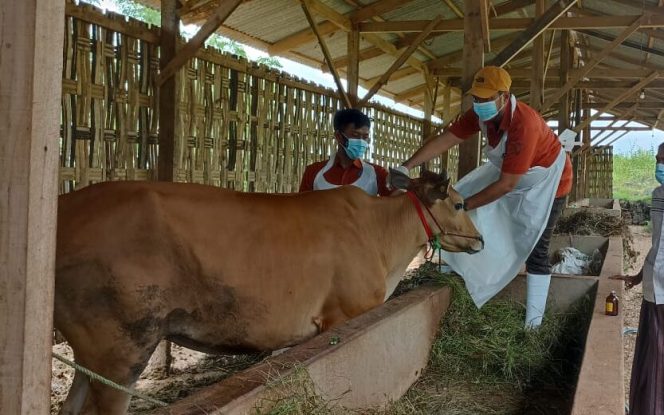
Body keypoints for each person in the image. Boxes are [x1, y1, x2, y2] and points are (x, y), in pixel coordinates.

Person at [389, 66, 573, 328]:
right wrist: (406, 166)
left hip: (546, 183)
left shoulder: (524, 124)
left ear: (504, 96)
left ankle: (533, 325)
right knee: (465, 209)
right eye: (476, 97)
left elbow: (506, 185)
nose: (479, 103)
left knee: (536, 248)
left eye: (486, 98)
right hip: (509, 173)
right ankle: (456, 272)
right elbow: (446, 139)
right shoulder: (479, 115)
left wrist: (464, 206)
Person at [611, 142, 664, 415]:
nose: (659, 166)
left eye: (663, 160)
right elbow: (657, 245)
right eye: (658, 159)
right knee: (650, 360)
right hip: (654, 292)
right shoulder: (658, 195)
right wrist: (638, 276)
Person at [299, 108, 391, 196]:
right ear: (338, 136)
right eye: (355, 135)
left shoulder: (377, 173)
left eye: (365, 137)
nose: (361, 141)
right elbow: (301, 209)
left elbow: (399, 199)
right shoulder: (313, 172)